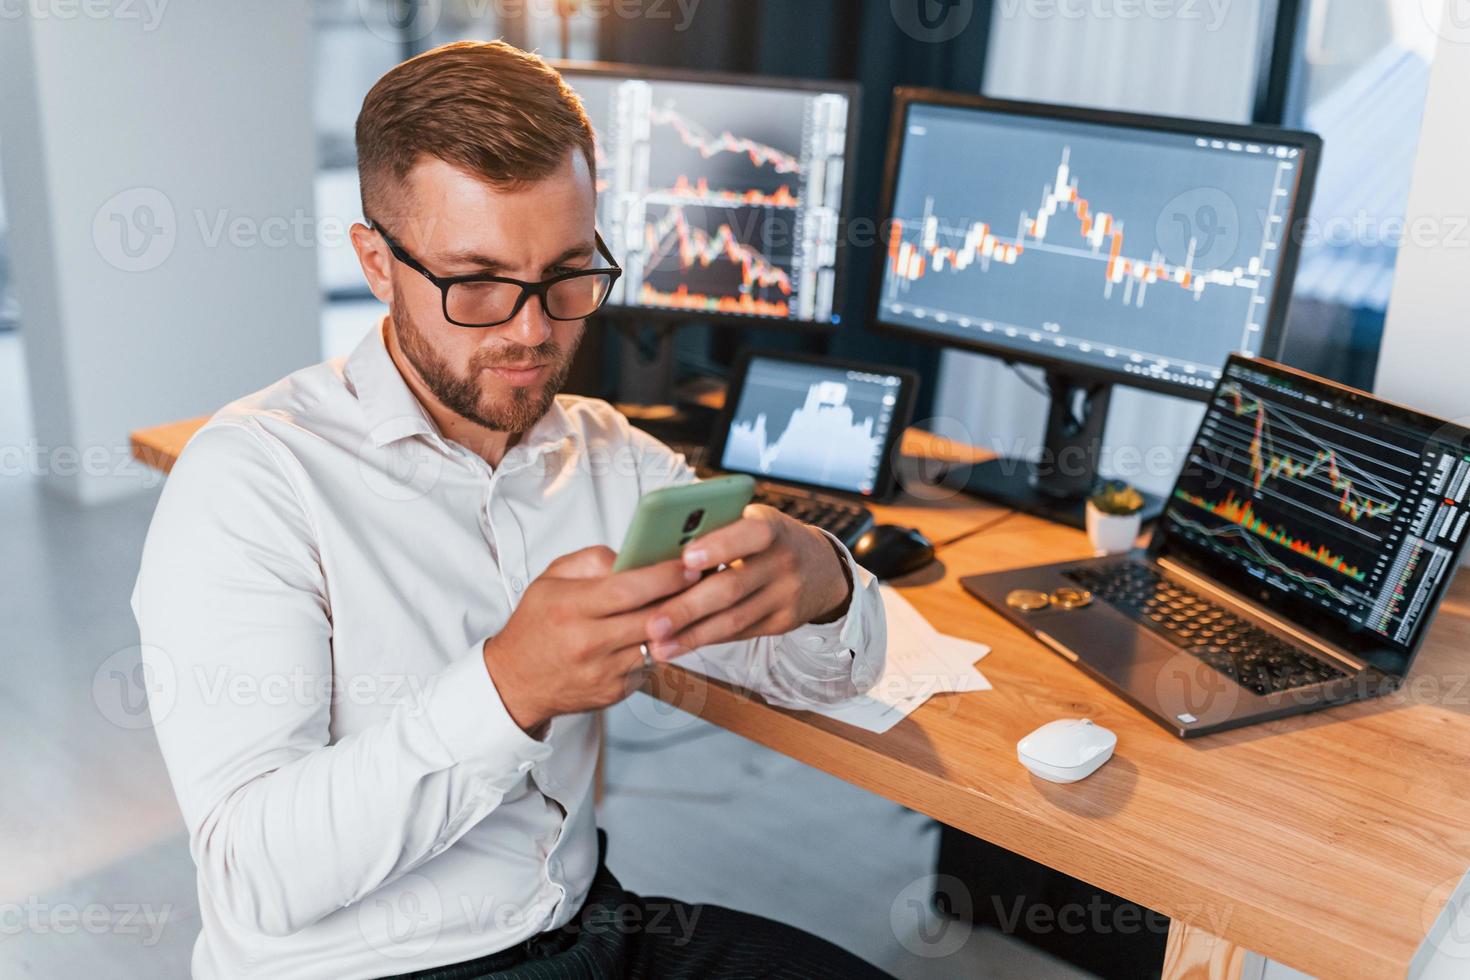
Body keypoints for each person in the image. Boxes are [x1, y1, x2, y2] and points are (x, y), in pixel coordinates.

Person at [132, 40, 889, 979]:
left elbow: (820, 680)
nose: (532, 330)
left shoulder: (609, 456)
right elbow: (256, 876)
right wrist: (510, 689)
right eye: (477, 283)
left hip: (586, 930)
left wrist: (824, 583)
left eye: (568, 274)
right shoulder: (252, 479)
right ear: (376, 260)